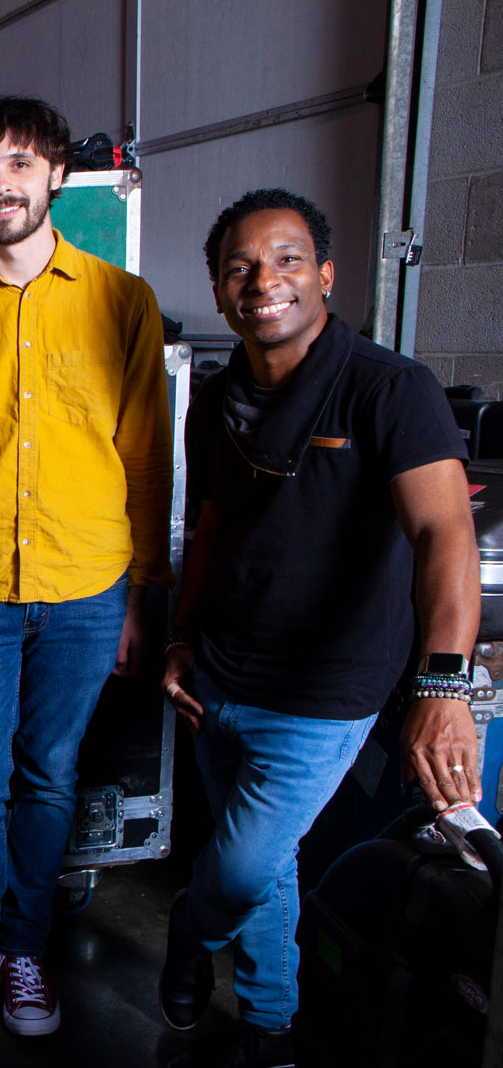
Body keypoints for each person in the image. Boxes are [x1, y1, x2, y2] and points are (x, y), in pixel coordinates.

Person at [157, 189, 480, 1068]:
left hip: (322, 696)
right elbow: (213, 527)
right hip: (218, 679)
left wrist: (444, 685)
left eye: (288, 260)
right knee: (267, 865)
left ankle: (189, 932)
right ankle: (271, 1024)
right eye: (241, 268)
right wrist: (182, 638)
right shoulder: (214, 401)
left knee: (239, 868)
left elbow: (444, 532)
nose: (264, 281)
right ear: (219, 292)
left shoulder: (391, 388)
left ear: (327, 276)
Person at [0, 95, 172, 1036]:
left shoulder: (122, 302)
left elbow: (146, 459)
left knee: (51, 777)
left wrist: (139, 600)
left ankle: (26, 949)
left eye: (18, 164)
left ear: (55, 174)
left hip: (90, 588)